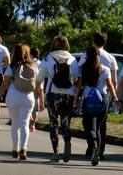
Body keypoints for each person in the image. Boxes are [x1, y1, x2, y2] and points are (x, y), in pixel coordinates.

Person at [37, 35, 78, 163]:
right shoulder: (72, 59)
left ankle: (56, 153)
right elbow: (76, 77)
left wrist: (37, 93)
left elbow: (39, 77)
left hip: (52, 94)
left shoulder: (48, 58)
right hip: (68, 95)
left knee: (53, 123)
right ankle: (67, 141)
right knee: (66, 121)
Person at [0, 44, 38, 160]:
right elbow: (38, 85)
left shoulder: (12, 67)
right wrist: (41, 100)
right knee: (24, 123)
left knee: (15, 124)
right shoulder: (34, 66)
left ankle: (15, 150)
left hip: (13, 96)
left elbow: (5, 84)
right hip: (28, 97)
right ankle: (24, 149)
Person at [75, 45, 118, 166]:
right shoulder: (105, 69)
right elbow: (110, 85)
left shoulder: (83, 68)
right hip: (103, 99)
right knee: (98, 128)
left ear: (87, 56)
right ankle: (97, 151)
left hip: (88, 99)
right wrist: (114, 97)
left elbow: (79, 85)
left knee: (89, 127)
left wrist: (75, 99)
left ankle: (94, 146)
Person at [29, 47, 42, 132]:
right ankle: (33, 125)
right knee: (35, 106)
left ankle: (28, 121)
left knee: (28, 105)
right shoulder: (40, 63)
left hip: (29, 85)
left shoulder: (29, 62)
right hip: (39, 85)